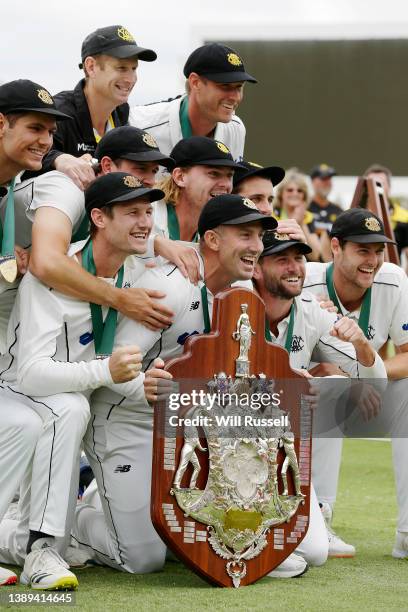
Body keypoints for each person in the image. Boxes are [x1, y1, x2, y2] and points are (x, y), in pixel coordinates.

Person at [71, 195, 283, 576]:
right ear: (214, 240)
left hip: (191, 429)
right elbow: (110, 361)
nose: (257, 246)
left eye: (261, 237)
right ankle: (79, 520)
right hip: (127, 418)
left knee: (206, 541)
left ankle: (114, 506)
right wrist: (143, 387)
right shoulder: (171, 286)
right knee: (142, 559)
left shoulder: (245, 296)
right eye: (246, 234)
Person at [0, 173, 165, 588]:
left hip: (67, 392)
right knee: (70, 406)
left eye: (148, 211)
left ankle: (33, 541)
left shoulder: (136, 278)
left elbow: (109, 358)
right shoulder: (54, 276)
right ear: (98, 217)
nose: (145, 221)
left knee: (72, 404)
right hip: (16, 388)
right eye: (132, 212)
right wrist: (107, 374)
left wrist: (140, 383)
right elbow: (31, 373)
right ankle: (41, 551)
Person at [0, 125, 199, 353]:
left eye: (154, 171)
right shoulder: (67, 190)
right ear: (106, 165)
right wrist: (120, 299)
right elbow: (46, 264)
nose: (149, 180)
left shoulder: (118, 208)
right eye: (140, 168)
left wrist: (157, 243)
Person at [252, 229, 387, 566]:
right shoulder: (232, 301)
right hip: (228, 438)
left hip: (278, 443)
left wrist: (361, 345)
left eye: (298, 258)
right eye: (281, 259)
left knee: (313, 553)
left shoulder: (310, 310)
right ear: (256, 267)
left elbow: (377, 379)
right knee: (145, 557)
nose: (294, 267)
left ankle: (321, 511)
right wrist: (283, 385)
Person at [303, 208, 408, 558]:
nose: (373, 260)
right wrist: (346, 376)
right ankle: (319, 514)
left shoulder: (392, 279)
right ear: (335, 246)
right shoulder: (306, 280)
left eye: (378, 251)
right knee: (330, 384)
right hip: (310, 405)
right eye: (363, 250)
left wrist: (364, 375)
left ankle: (407, 532)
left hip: (368, 397)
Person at [0, 78, 71, 587]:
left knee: (34, 420)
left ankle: (34, 545)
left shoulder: (9, 190)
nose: (45, 140)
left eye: (50, 130)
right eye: (33, 127)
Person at [28, 25, 157, 190]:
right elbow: (24, 164)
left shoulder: (122, 113)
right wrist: (58, 159)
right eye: (121, 68)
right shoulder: (57, 113)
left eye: (134, 69)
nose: (130, 79)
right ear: (91, 67)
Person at [130, 42, 257, 161]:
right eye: (225, 86)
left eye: (239, 87)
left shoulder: (236, 128)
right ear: (195, 83)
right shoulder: (140, 126)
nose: (235, 97)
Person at [155, 136, 243, 240]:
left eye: (229, 176)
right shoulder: (148, 215)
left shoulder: (218, 236)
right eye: (214, 173)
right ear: (180, 177)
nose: (225, 185)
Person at [274, 171, 324, 262]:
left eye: (299, 190)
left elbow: (315, 255)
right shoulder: (272, 214)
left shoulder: (308, 217)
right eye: (290, 190)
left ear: (304, 196)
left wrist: (301, 223)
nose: (295, 193)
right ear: (281, 194)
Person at [364, 163, 408, 266]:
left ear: (389, 186)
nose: (375, 188)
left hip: (391, 276)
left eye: (380, 183)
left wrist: (403, 279)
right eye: (371, 183)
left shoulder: (404, 217)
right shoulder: (352, 216)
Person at [309, 164, 343, 234]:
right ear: (313, 182)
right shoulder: (303, 208)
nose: (327, 182)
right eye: (323, 179)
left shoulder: (339, 211)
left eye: (329, 179)